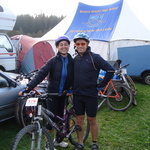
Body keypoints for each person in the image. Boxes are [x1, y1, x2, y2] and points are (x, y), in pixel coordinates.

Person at [19, 35, 73, 149]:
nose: (63, 47)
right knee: (51, 120)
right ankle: (48, 144)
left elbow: (75, 77)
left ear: (68, 46)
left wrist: (71, 89)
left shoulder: (72, 61)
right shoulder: (53, 61)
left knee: (60, 119)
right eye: (61, 45)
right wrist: (28, 88)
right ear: (57, 47)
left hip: (64, 94)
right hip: (52, 94)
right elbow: (41, 74)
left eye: (65, 44)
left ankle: (58, 140)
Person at [72, 33, 115, 150]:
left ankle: (94, 143)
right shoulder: (74, 59)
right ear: (75, 45)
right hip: (77, 95)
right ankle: (80, 142)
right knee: (79, 119)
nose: (80, 46)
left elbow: (110, 70)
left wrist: (101, 85)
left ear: (87, 44)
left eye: (83, 43)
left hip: (90, 94)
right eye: (78, 44)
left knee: (92, 119)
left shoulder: (94, 57)